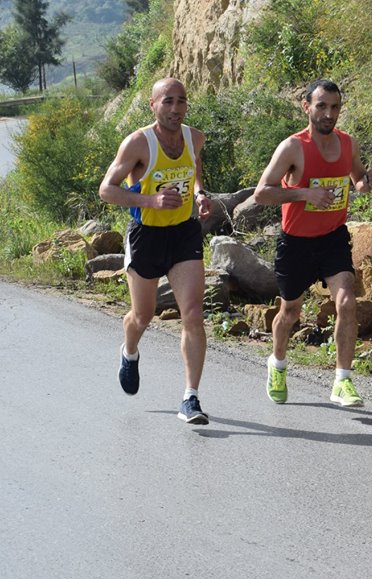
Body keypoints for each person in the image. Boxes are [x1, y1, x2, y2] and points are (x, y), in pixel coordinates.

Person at [254, 78, 372, 407]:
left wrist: (370, 182)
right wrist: (304, 193)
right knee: (290, 312)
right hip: (295, 244)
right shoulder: (293, 148)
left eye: (335, 107)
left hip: (332, 239)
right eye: (322, 106)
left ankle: (342, 381)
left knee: (347, 304)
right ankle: (278, 364)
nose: (329, 113)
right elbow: (262, 192)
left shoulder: (347, 143)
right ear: (306, 107)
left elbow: (358, 183)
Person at [99, 77, 213, 425]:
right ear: (153, 105)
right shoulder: (138, 143)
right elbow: (107, 190)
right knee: (142, 316)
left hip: (183, 234)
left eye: (181, 101)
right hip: (146, 235)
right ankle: (129, 351)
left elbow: (194, 171)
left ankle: (190, 398)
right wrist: (151, 200)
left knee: (192, 313)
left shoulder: (195, 138)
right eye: (167, 102)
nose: (175, 108)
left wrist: (199, 194)